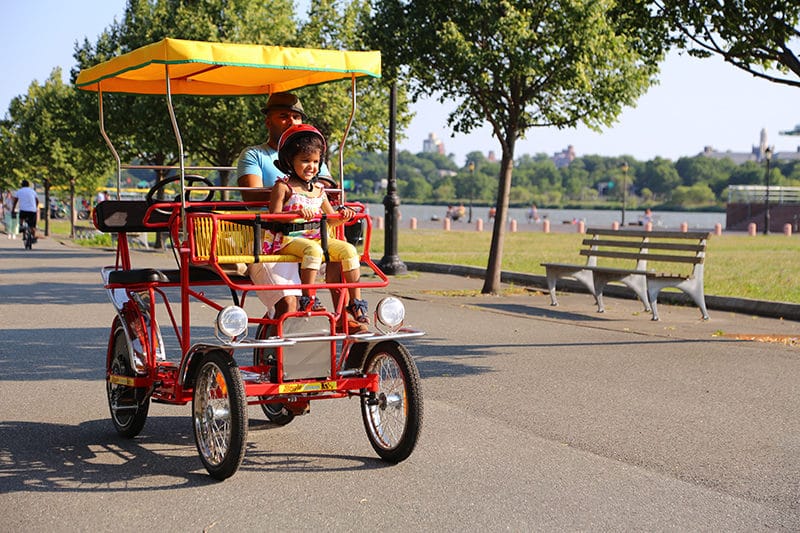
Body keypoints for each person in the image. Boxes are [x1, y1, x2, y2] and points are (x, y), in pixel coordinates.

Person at [237, 92, 350, 322]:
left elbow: (325, 188)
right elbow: (252, 195)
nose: (292, 121)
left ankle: (345, 316)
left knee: (342, 249)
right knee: (288, 305)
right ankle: (279, 343)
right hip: (273, 236)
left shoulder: (309, 154)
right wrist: (290, 192)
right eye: (284, 116)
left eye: (296, 117)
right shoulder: (254, 154)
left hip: (312, 232)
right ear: (268, 120)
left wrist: (307, 190)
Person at [265, 124, 370, 327]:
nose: (311, 167)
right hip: (290, 239)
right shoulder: (283, 187)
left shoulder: (319, 190)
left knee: (348, 249)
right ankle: (308, 297)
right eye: (305, 161)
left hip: (316, 237)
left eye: (315, 162)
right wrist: (295, 214)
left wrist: (343, 216)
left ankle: (355, 302)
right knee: (313, 249)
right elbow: (273, 217)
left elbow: (330, 218)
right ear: (290, 161)